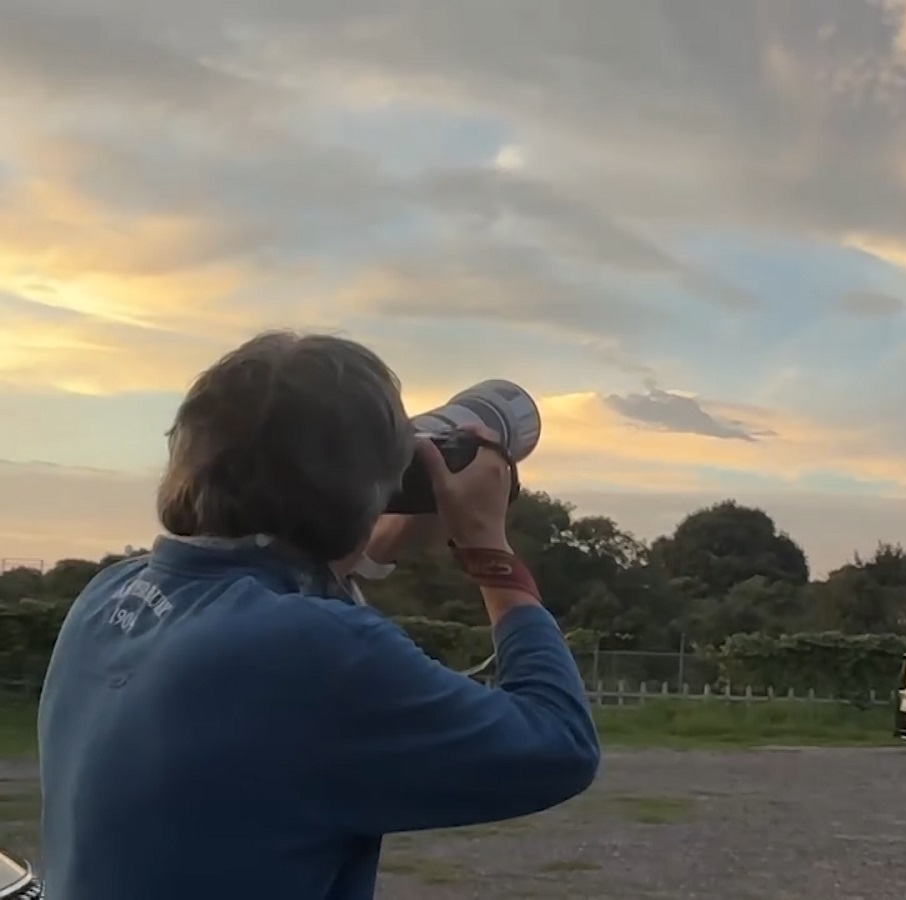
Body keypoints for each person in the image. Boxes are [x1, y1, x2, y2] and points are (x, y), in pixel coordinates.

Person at [37, 331, 600, 899]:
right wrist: (487, 548)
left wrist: (372, 539)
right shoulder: (314, 649)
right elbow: (560, 743)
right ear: (364, 488)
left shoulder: (109, 596)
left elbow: (271, 610)